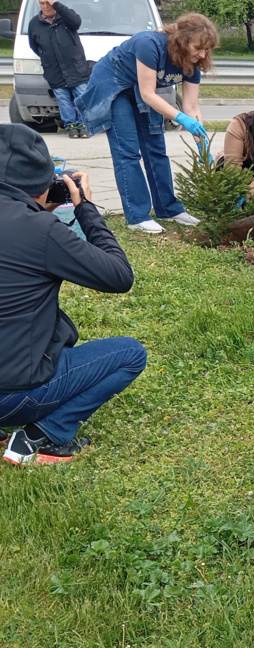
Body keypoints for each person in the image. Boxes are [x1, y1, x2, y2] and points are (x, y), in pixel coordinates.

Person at [0, 124, 146, 465]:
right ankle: (42, 436)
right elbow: (119, 276)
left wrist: (36, 209)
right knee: (129, 354)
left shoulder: (36, 223)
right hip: (13, 392)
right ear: (41, 183)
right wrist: (87, 210)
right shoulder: (42, 229)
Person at [77, 13, 218, 234]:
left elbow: (191, 107)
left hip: (143, 90)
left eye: (207, 49)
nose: (202, 54)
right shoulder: (149, 44)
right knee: (128, 151)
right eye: (198, 47)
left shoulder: (193, 63)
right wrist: (180, 118)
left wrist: (202, 144)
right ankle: (137, 215)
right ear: (182, 40)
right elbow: (148, 94)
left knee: (156, 148)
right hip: (116, 85)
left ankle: (169, 208)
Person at [27, 0, 90, 139]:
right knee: (63, 99)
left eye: (48, 3)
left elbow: (76, 22)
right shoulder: (34, 24)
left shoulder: (66, 17)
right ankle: (71, 125)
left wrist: (57, 4)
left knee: (82, 95)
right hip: (54, 70)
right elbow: (34, 46)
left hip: (76, 68)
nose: (45, 7)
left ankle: (84, 124)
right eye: (42, 3)